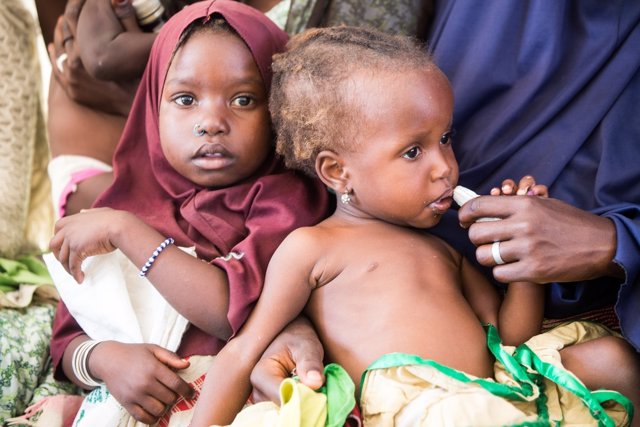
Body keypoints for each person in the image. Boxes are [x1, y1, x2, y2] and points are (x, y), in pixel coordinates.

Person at [190, 26, 635, 427]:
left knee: (614, 360)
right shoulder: (313, 247)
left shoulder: (443, 250)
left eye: (445, 139)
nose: (444, 167)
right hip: (422, 411)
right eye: (412, 152)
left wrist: (519, 266)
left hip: (497, 393)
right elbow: (244, 351)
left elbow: (513, 340)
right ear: (337, 171)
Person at [46, 1, 330, 425]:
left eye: (243, 99)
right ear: (151, 108)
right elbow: (68, 336)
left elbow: (230, 310)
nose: (212, 121)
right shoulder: (119, 204)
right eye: (185, 99)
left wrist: (129, 234)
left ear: (278, 111)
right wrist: (105, 360)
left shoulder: (285, 202)